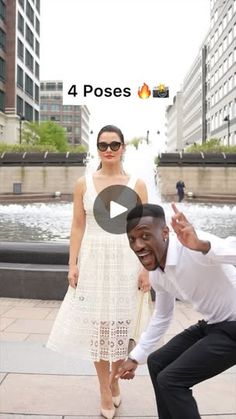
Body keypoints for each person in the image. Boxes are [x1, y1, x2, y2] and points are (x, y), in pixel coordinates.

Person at [46, 125, 150, 419]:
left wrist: (146, 269)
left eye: (114, 144)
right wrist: (72, 263)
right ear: (97, 149)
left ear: (123, 147)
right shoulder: (84, 184)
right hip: (93, 263)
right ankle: (104, 389)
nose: (108, 150)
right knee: (98, 331)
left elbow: (143, 229)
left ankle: (115, 379)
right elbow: (78, 225)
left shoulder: (138, 184)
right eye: (103, 145)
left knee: (120, 330)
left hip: (126, 264)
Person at [117, 202, 236, 419]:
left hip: (233, 327)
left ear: (164, 232)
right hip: (214, 324)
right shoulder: (157, 274)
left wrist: (203, 245)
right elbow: (162, 315)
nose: (138, 245)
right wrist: (135, 357)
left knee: (172, 380)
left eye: (145, 236)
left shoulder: (193, 246)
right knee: (157, 362)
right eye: (132, 239)